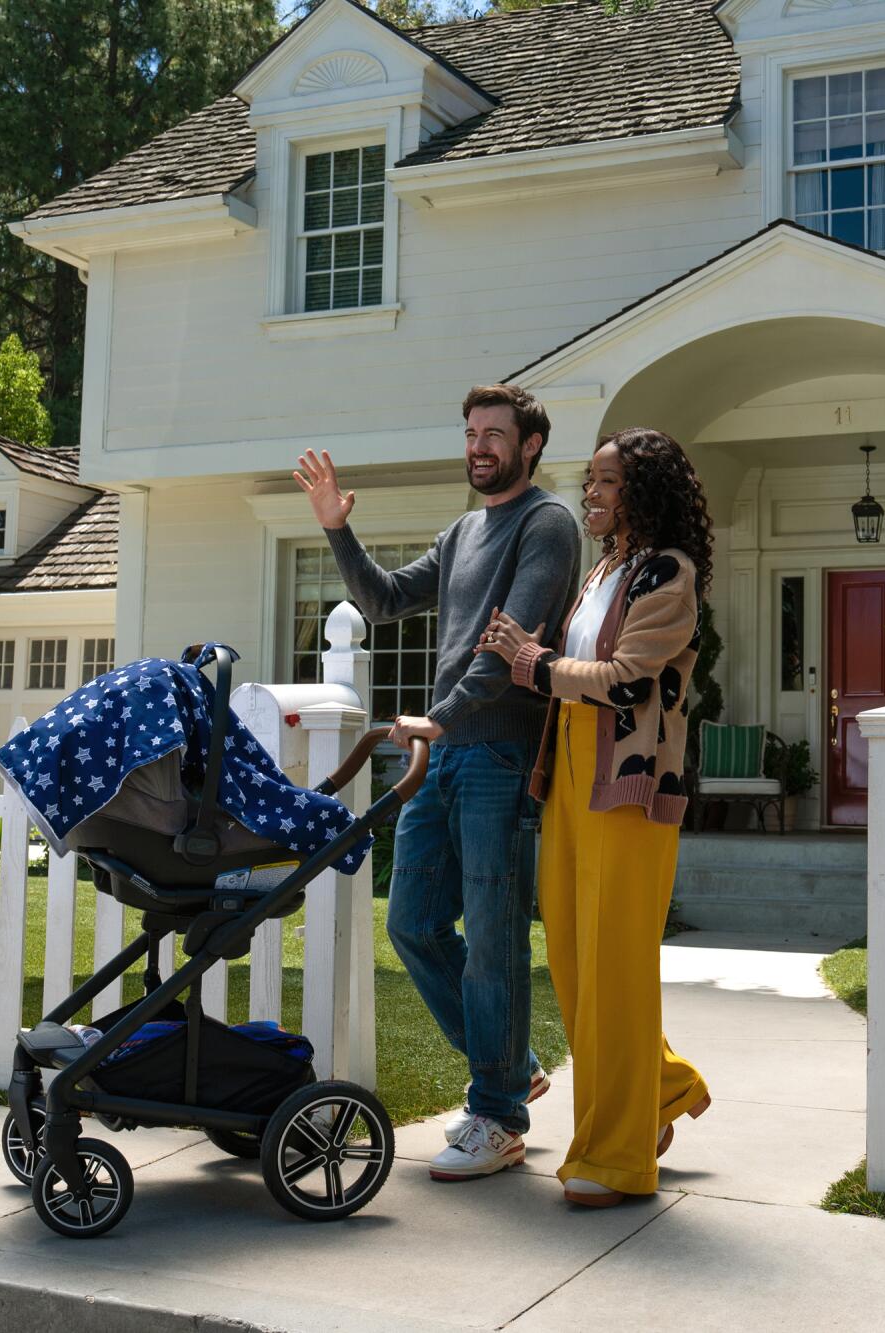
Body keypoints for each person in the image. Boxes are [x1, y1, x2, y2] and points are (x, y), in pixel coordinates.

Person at [293, 384, 582, 1181]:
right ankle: (510, 1062)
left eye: (495, 434)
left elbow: (506, 646)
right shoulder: (463, 531)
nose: (479, 446)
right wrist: (334, 526)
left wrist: (442, 716)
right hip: (447, 749)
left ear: (529, 446)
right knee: (414, 921)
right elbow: (382, 603)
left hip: (496, 754)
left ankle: (497, 1116)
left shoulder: (546, 524)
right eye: (470, 433)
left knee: (492, 938)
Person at [477, 426, 713, 1208]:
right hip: (573, 767)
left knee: (614, 964)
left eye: (607, 482)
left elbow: (622, 681)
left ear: (641, 491)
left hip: (629, 784)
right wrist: (526, 648)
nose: (592, 494)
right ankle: (663, 1087)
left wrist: (534, 662)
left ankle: (614, 1156)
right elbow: (572, 672)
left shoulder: (669, 575)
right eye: (592, 481)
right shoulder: (606, 570)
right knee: (577, 960)